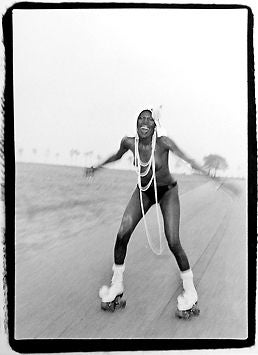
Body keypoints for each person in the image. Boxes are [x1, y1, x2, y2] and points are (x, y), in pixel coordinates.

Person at [85, 109, 217, 318]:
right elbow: (116, 156)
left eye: (149, 119)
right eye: (141, 118)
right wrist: (96, 167)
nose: (144, 121)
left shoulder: (164, 143)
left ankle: (190, 290)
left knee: (173, 241)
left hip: (167, 193)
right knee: (122, 233)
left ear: (155, 126)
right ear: (136, 123)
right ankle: (116, 284)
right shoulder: (129, 143)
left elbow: (188, 158)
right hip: (144, 192)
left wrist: (210, 174)